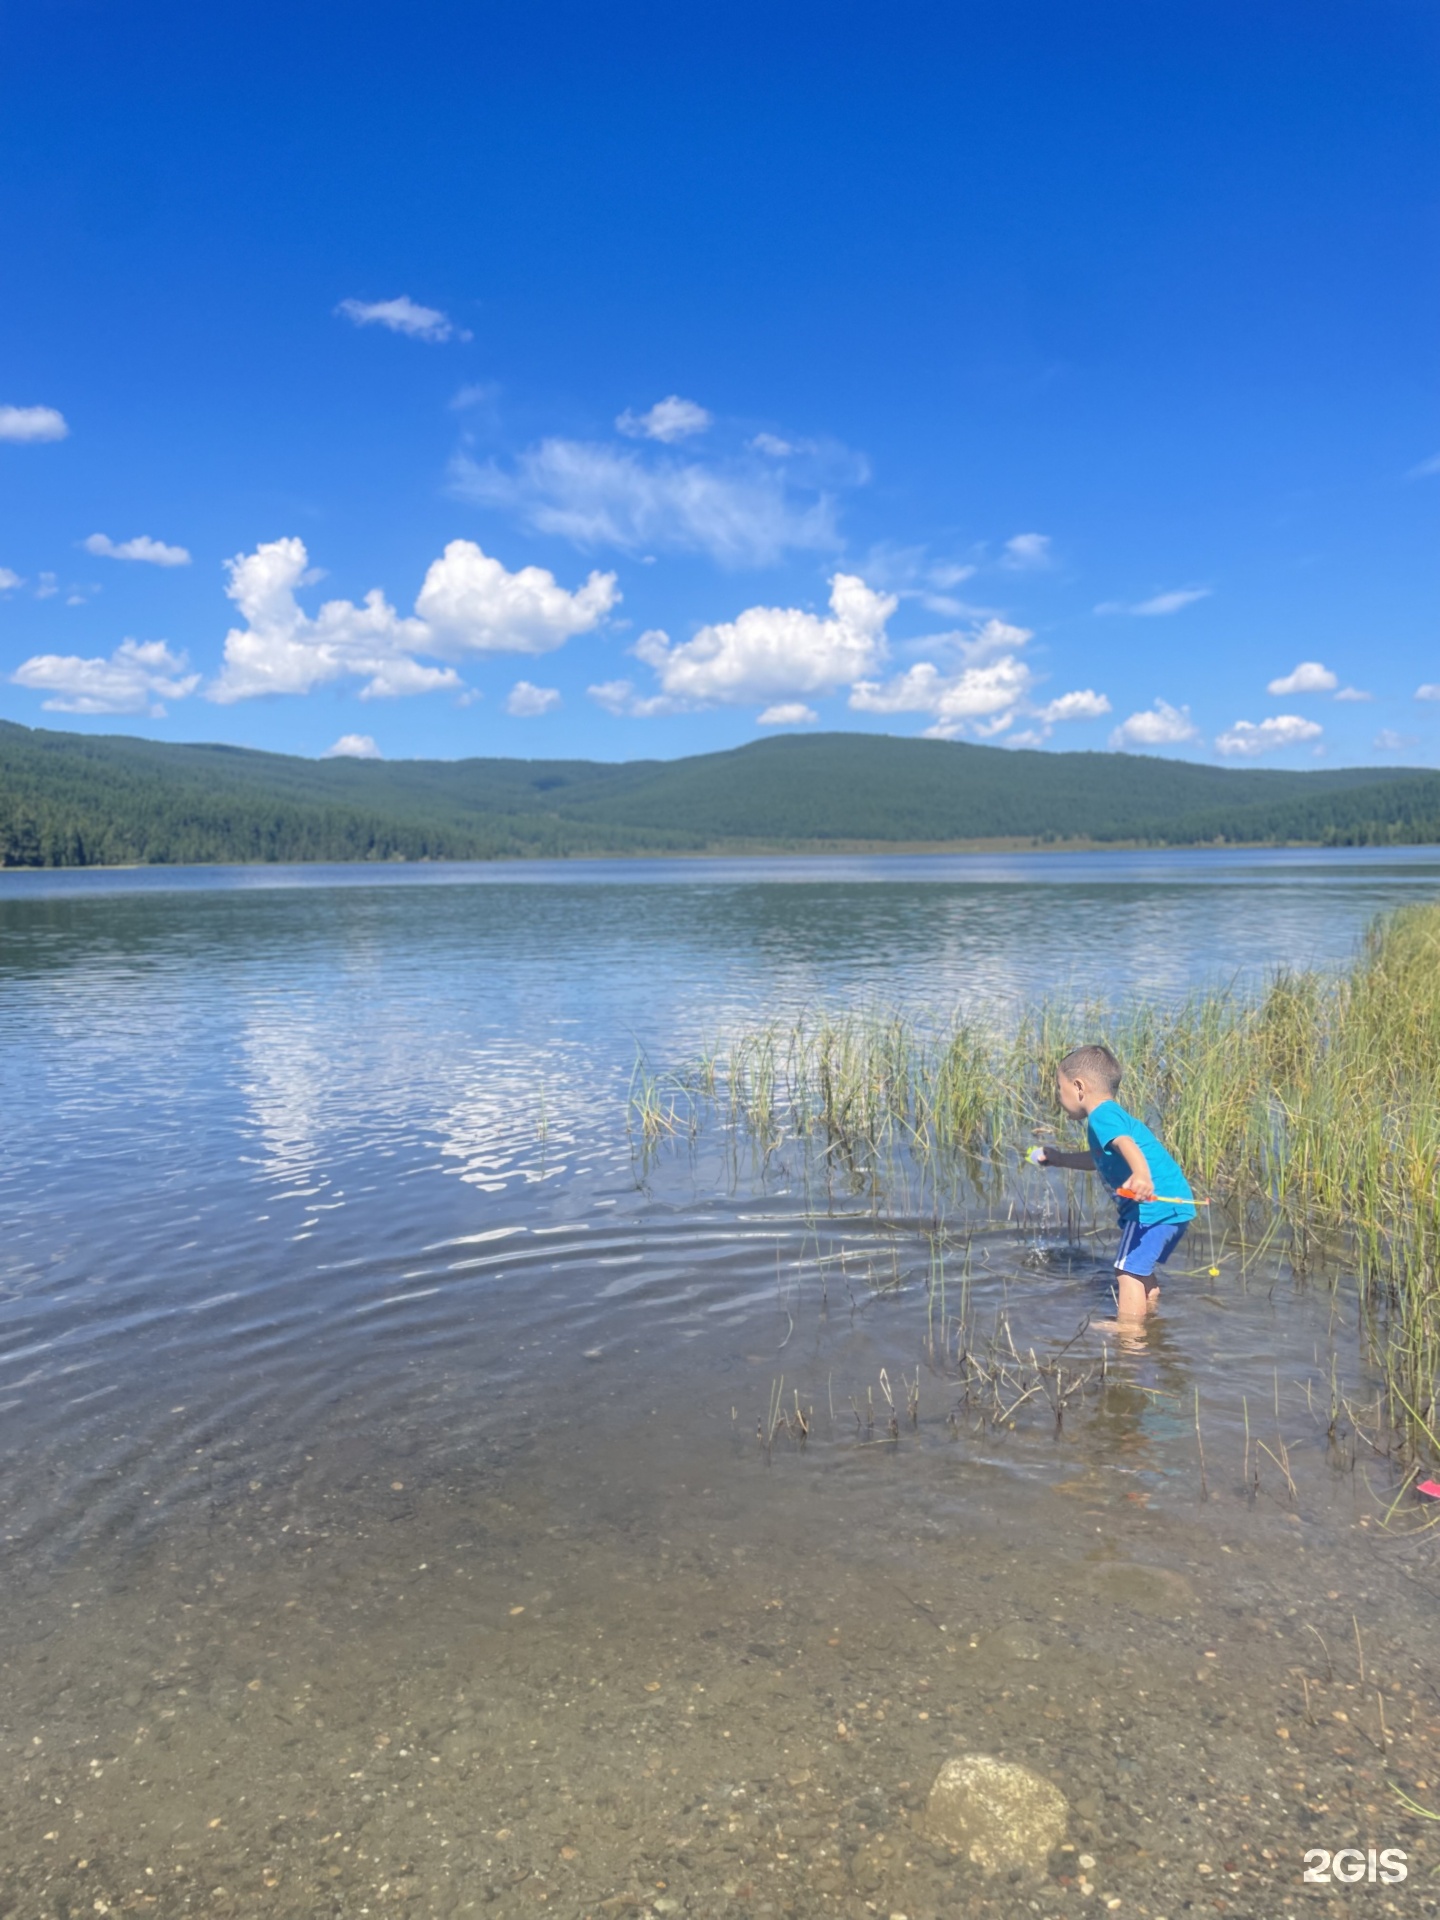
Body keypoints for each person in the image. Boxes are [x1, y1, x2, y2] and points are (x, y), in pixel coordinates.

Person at [1027, 1043, 1195, 1322]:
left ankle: (1129, 1332)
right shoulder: (1110, 1115)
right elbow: (1097, 1159)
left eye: (1059, 1087)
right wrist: (1060, 1159)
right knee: (1139, 1268)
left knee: (1126, 1270)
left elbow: (1125, 1143)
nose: (1058, 1095)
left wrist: (1141, 1175)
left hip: (1152, 1208)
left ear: (1078, 1087)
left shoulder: (1101, 1116)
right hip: (1175, 1206)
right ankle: (1150, 1316)